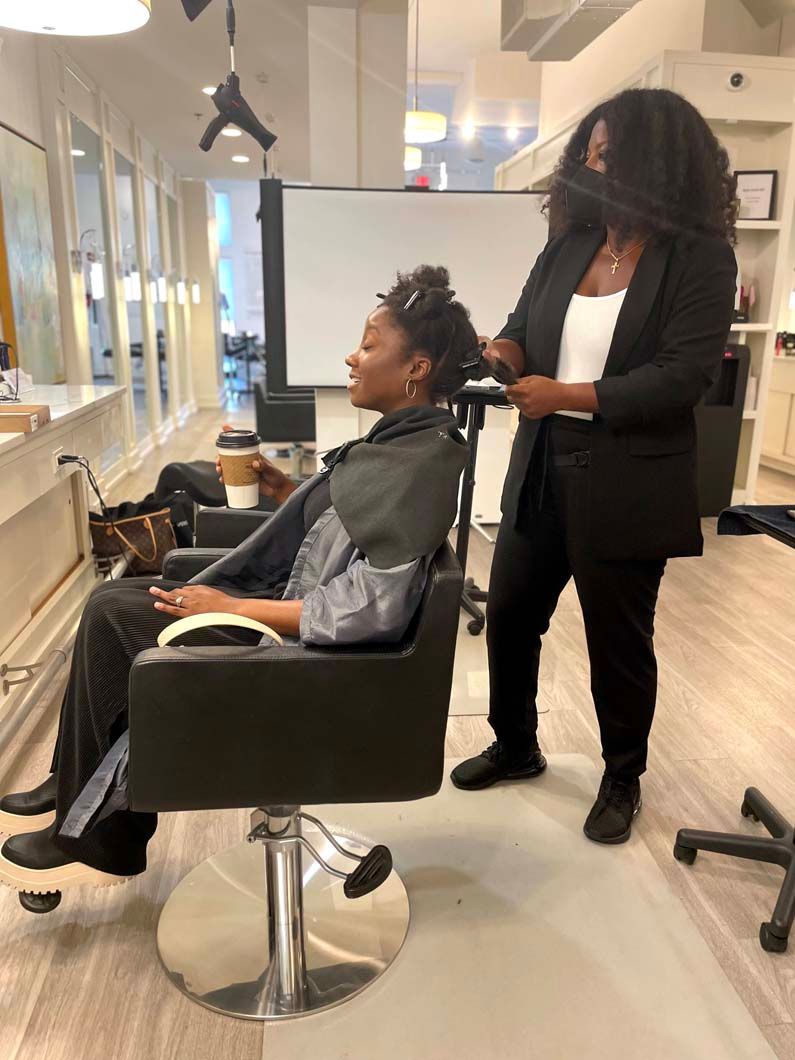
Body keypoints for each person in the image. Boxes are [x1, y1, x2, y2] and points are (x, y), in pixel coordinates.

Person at [0, 265, 473, 894]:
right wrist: (287, 491)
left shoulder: (422, 463)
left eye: (368, 345)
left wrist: (235, 608)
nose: (351, 357)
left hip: (310, 658)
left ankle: (92, 829)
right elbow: (342, 529)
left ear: (415, 367)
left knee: (114, 614)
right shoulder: (402, 442)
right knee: (110, 599)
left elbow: (372, 608)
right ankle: (78, 795)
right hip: (285, 615)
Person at [451, 88, 738, 845]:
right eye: (589, 150)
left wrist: (566, 394)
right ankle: (515, 745)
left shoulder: (699, 257)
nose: (589, 164)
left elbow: (683, 376)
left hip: (629, 478)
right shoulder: (570, 245)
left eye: (607, 152)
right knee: (510, 615)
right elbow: (520, 330)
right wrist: (497, 354)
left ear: (656, 159)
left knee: (617, 638)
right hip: (542, 466)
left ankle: (620, 777)